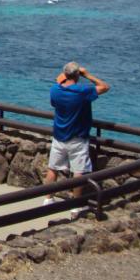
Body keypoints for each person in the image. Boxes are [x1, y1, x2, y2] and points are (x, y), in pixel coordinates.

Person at [43, 62, 109, 214]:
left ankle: (48, 199)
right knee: (78, 172)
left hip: (59, 136)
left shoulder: (55, 90)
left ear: (64, 75)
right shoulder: (83, 91)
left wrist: (63, 76)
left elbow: (57, 82)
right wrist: (87, 75)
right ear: (78, 75)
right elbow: (105, 87)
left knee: (53, 168)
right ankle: (75, 204)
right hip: (77, 138)